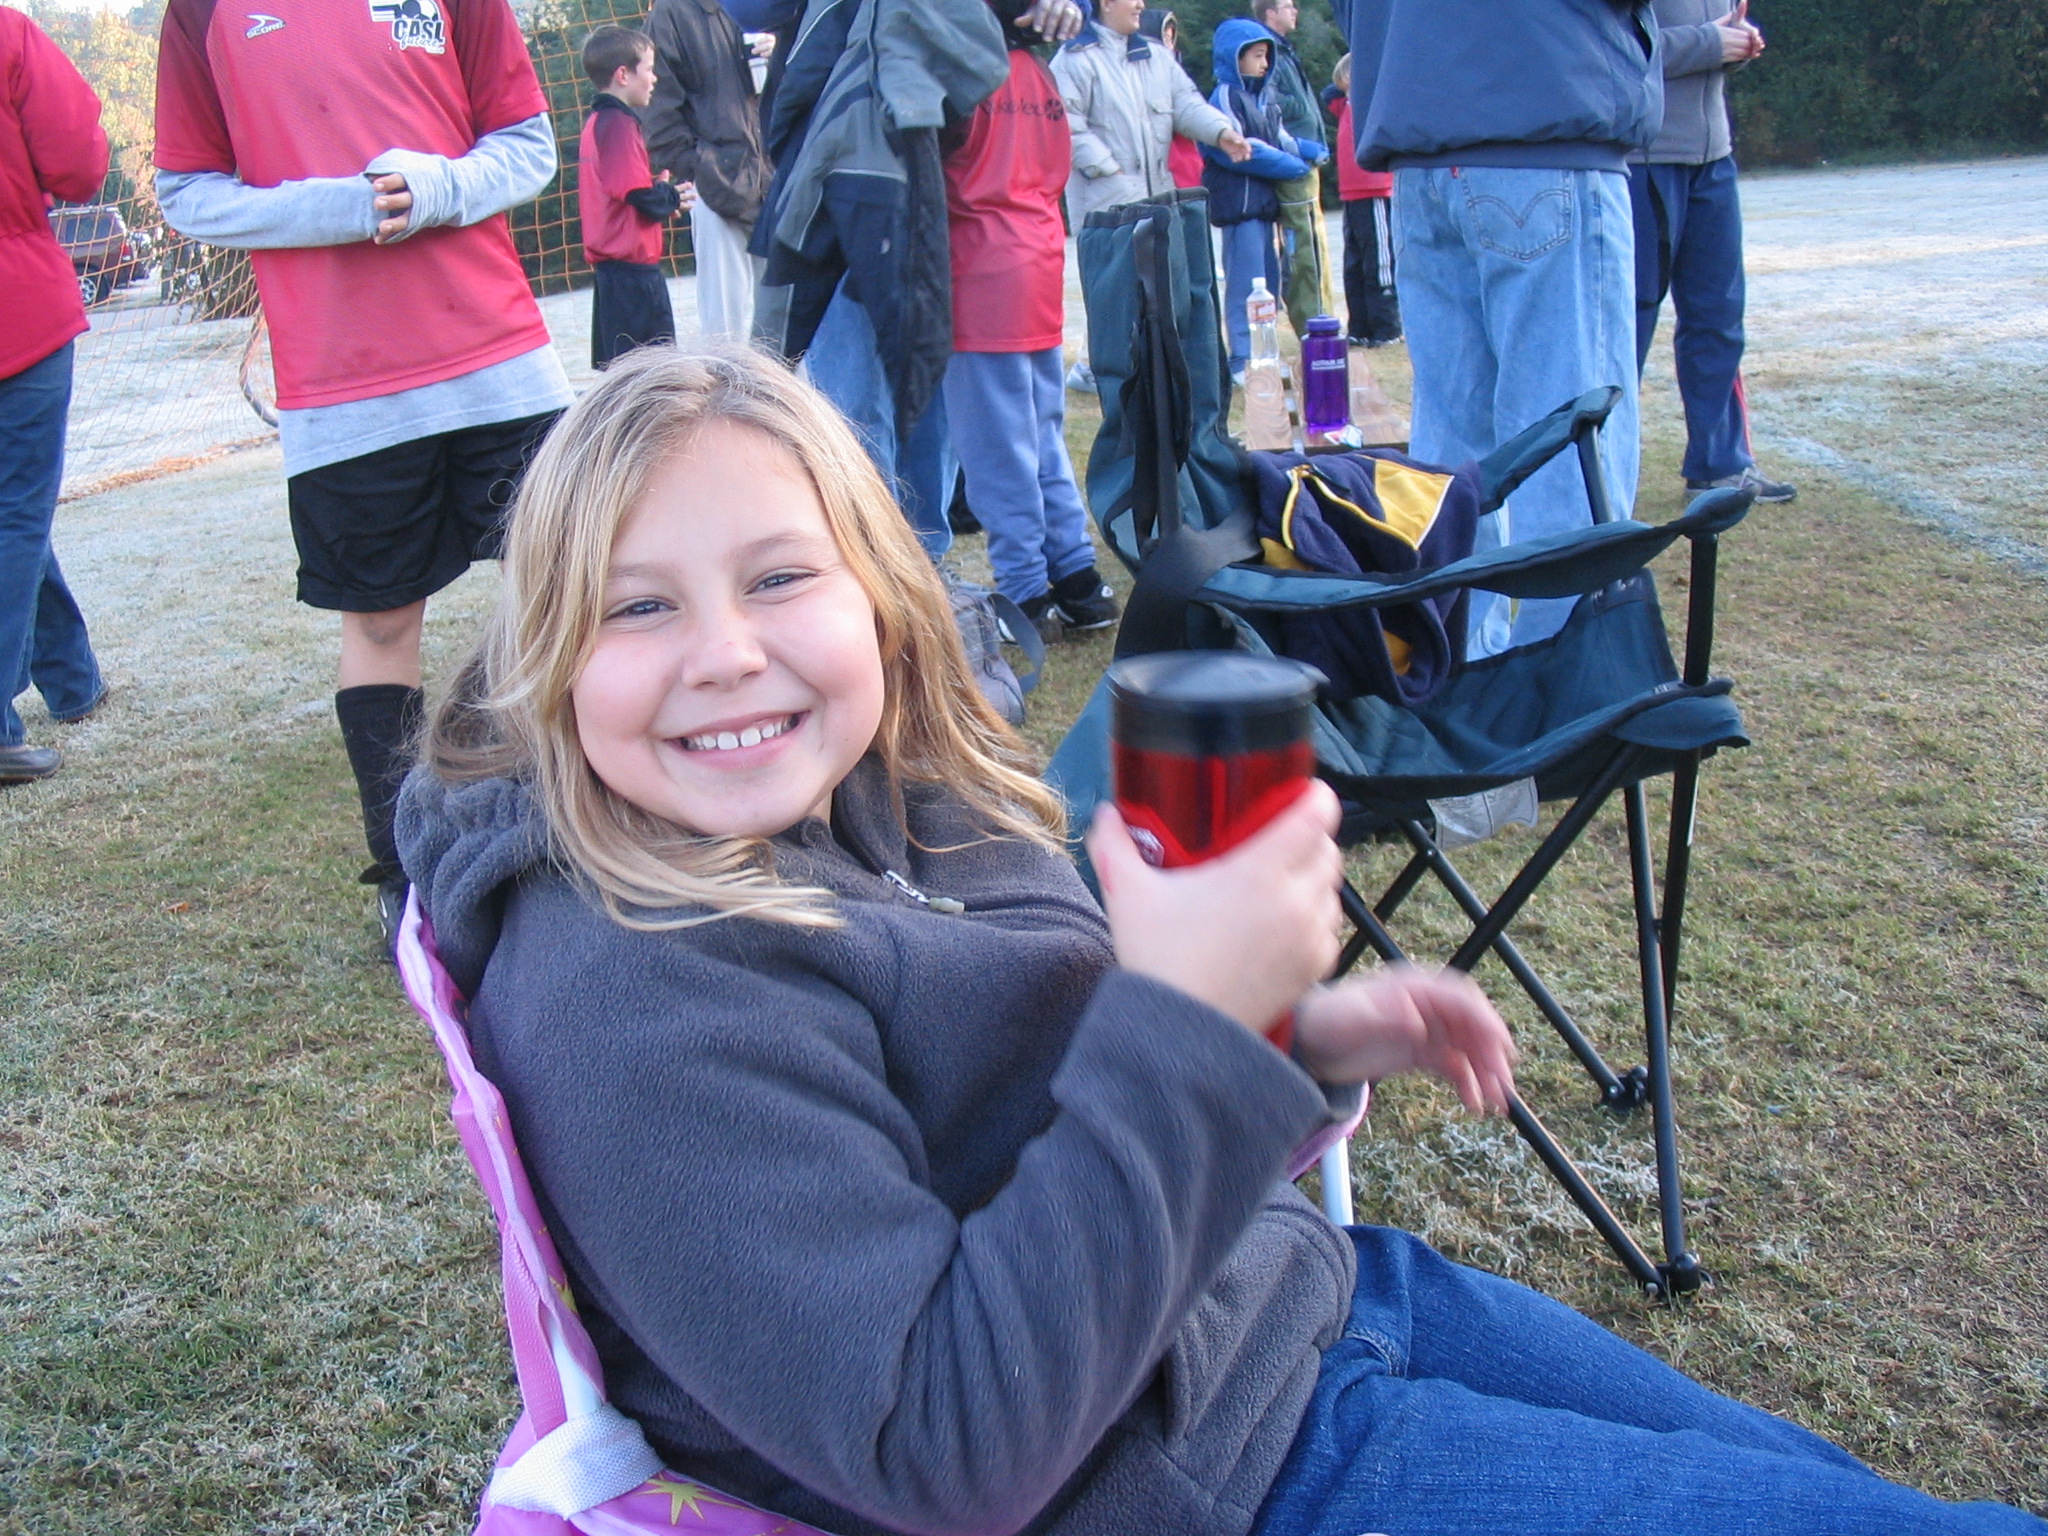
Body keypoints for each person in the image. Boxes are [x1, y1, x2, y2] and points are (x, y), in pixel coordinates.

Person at [400, 343, 2048, 1536]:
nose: (724, 652)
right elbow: (939, 1447)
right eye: (638, 606)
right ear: (547, 655)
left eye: (779, 577)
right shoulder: (632, 997)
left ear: (881, 597)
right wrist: (1188, 1020)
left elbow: (1043, 1095)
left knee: (1843, 1495)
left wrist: (1277, 1031)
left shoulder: (893, 791)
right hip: (1214, 1483)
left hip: (1302, 1311)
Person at [153, 0, 572, 940]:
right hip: (340, 391)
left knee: (569, 584)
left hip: (499, 360)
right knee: (381, 621)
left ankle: (611, 825)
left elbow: (529, 146)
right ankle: (408, 878)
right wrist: (333, 207)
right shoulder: (201, 13)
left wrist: (439, 187)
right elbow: (185, 191)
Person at [1333, 0, 1659, 657]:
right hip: (1542, 123)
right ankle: (1564, 692)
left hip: (1420, 148)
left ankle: (1463, 683)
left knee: (1452, 449)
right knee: (1571, 441)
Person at [941, 2, 1119, 641]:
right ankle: (1077, 577)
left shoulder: (961, 65)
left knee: (998, 452)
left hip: (976, 268)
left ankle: (1025, 592)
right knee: (1043, 436)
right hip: (1038, 259)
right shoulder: (1037, 69)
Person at [0, 6, 109, 787]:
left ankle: (73, 679)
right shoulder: (7, 33)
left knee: (16, 511)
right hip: (16, 310)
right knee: (16, 511)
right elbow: (79, 165)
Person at [1630, 0, 1796, 503]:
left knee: (1718, 318)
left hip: (1713, 158)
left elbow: (1714, 42)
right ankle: (1596, 473)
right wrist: (1707, 44)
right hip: (1642, 160)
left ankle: (1720, 465)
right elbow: (1604, 49)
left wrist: (1738, 44)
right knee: (1627, 324)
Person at [1051, 0, 1249, 391]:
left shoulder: (1157, 57)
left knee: (1164, 303)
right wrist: (1109, 169)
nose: (1141, 4)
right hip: (1106, 210)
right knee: (1116, 306)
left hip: (1160, 205)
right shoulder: (1072, 61)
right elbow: (1066, 128)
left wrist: (1221, 131)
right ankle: (1111, 384)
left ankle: (1163, 387)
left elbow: (1186, 103)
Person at [645, 0, 769, 344]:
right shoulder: (671, 14)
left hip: (779, 184)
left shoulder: (772, 8)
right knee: (723, 333)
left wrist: (783, 55)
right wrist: (702, 169)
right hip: (715, 188)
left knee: (787, 327)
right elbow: (657, 115)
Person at [1204, 21, 1316, 381]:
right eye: (1256, 55)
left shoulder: (1264, 100)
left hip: (1266, 208)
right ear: (1234, 58)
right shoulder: (1225, 96)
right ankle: (1241, 359)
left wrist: (1311, 150)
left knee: (1269, 283)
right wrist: (1293, 166)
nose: (1265, 63)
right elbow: (1242, 150)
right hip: (1241, 209)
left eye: (1267, 56)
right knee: (1245, 285)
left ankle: (1264, 354)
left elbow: (1282, 139)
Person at [579, 25, 690, 370]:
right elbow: (636, 193)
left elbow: (625, 191)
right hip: (631, 278)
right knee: (654, 375)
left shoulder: (598, 120)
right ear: (623, 75)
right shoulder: (618, 123)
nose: (654, 78)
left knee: (627, 372)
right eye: (649, 68)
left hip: (615, 275)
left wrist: (661, 199)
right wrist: (668, 196)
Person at [1249, 0, 1337, 338]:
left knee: (1315, 243)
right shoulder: (1269, 54)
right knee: (1304, 246)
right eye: (1287, 5)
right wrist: (1298, 147)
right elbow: (1269, 107)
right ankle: (1314, 325)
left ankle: (1322, 318)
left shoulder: (1283, 51)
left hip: (1305, 162)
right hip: (1294, 164)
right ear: (1270, 12)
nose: (1295, 11)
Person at [1323, 54, 1399, 347]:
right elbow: (1328, 94)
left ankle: (1386, 327)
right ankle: (1359, 327)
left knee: (1379, 261)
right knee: (1354, 263)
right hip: (1351, 193)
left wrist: (1365, 73)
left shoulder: (1373, 103)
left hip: (1375, 188)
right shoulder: (1344, 104)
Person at [1138, 10, 1205, 190]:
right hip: (1163, 178)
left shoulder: (1175, 78)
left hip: (1188, 177)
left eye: (1170, 39)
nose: (1168, 47)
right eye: (1164, 39)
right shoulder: (1138, 82)